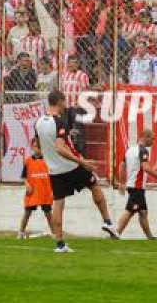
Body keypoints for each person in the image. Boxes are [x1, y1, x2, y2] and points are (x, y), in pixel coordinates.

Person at [34, 90, 119, 253]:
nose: (65, 105)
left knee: (58, 203)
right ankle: (107, 222)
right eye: (64, 101)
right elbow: (60, 148)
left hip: (54, 170)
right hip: (71, 167)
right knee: (94, 184)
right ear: (59, 102)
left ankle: (60, 244)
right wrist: (82, 161)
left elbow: (39, 147)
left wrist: (51, 157)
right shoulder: (59, 122)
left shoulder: (38, 122)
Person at [115, 129, 157, 239]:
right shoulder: (143, 150)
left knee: (143, 212)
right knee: (130, 210)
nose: (153, 141)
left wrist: (121, 182)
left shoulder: (130, 150)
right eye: (152, 139)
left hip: (133, 185)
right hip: (137, 186)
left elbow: (122, 166)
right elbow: (145, 168)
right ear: (145, 137)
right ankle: (116, 232)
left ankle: (150, 237)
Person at [18, 137, 55, 240]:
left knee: (48, 214)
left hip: (45, 191)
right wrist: (27, 185)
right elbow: (24, 177)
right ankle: (21, 232)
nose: (37, 149)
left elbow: (53, 176)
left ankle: (54, 234)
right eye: (35, 147)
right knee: (27, 213)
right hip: (32, 191)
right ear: (32, 147)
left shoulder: (48, 161)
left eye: (40, 147)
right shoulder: (28, 161)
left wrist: (53, 190)